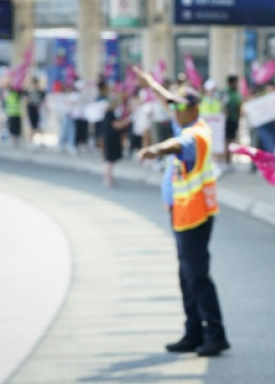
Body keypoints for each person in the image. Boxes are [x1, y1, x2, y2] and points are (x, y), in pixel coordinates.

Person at [134, 66, 230, 357]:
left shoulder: (196, 135)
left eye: (181, 108)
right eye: (174, 108)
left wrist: (155, 149)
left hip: (195, 216)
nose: (174, 112)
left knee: (197, 276)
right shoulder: (185, 122)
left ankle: (215, 334)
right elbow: (170, 102)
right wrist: (152, 84)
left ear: (195, 109)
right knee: (186, 276)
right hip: (182, 215)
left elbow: (178, 145)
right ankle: (194, 332)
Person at [102, 94, 131, 187]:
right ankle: (107, 180)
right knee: (109, 161)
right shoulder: (109, 113)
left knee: (110, 161)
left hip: (113, 139)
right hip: (110, 139)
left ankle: (110, 179)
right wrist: (127, 121)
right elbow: (117, 125)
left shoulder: (113, 112)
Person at [25, 77, 46, 147]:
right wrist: (26, 112)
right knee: (32, 127)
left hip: (38, 111)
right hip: (31, 111)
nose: (35, 85)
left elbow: (43, 101)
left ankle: (41, 141)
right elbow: (26, 102)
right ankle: (30, 142)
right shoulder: (29, 92)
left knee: (39, 127)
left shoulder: (41, 92)